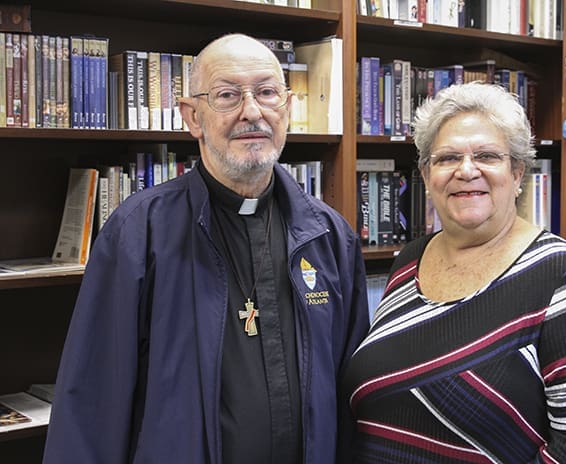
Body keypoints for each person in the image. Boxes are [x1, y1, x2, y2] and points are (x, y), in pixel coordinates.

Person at [43, 33, 370, 464]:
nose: (251, 112)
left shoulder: (331, 237)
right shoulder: (138, 234)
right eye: (227, 95)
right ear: (192, 117)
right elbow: (90, 407)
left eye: (267, 93)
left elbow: (354, 401)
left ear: (288, 109)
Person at [342, 82, 566, 463]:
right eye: (447, 159)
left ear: (516, 174)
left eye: (486, 156)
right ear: (427, 177)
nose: (466, 171)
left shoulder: (562, 273)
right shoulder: (410, 260)